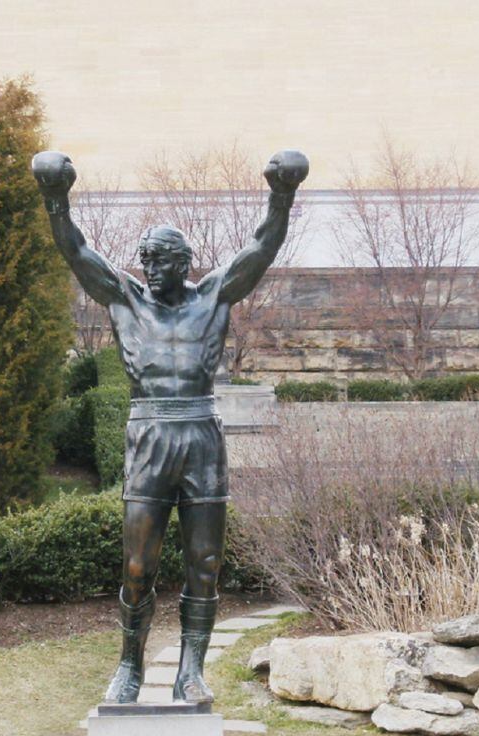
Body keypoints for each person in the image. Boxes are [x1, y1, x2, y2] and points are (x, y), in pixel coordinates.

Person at [32, 148, 308, 703]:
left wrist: (282, 194)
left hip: (201, 434)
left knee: (204, 563)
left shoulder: (213, 297)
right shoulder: (126, 300)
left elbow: (260, 247)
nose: (148, 268)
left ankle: (190, 673)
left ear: (183, 263)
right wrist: (55, 200)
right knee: (139, 565)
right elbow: (78, 251)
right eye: (144, 259)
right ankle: (129, 668)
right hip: (151, 433)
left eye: (159, 260)